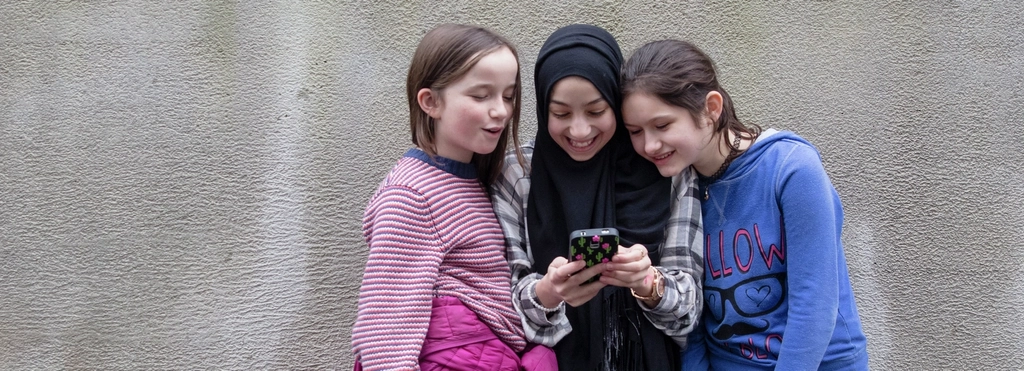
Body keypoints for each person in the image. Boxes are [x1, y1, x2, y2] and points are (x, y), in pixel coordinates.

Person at [620, 39, 869, 370]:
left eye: (663, 125)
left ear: (711, 107)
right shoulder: (678, 186)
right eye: (635, 131)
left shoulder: (791, 169)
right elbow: (693, 320)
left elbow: (814, 305)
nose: (649, 145)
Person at [491, 24, 704, 370]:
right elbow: (503, 306)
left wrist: (648, 282)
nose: (579, 131)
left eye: (595, 111)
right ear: (543, 108)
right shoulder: (518, 173)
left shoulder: (663, 166)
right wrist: (549, 292)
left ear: (616, 106)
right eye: (560, 113)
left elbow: (689, 312)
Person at [351, 24, 556, 371]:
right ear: (431, 102)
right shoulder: (411, 196)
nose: (501, 111)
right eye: (481, 96)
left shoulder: (470, 179)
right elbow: (385, 332)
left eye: (508, 96)